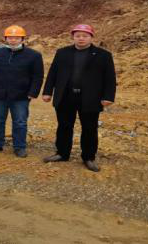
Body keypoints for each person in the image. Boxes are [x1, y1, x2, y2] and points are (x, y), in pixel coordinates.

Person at [42, 24, 116, 171]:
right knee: (64, 126)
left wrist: (108, 96)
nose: (81, 38)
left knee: (89, 128)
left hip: (90, 97)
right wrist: (47, 92)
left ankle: (88, 157)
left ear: (91, 37)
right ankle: (62, 153)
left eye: (85, 36)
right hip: (65, 95)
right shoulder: (62, 53)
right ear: (73, 37)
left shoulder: (103, 55)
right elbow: (52, 73)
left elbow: (110, 78)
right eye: (78, 36)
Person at [0, 25, 44, 158]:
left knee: (20, 122)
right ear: (5, 39)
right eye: (10, 37)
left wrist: (33, 92)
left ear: (22, 39)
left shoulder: (34, 55)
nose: (13, 40)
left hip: (21, 95)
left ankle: (19, 147)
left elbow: (38, 76)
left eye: (16, 38)